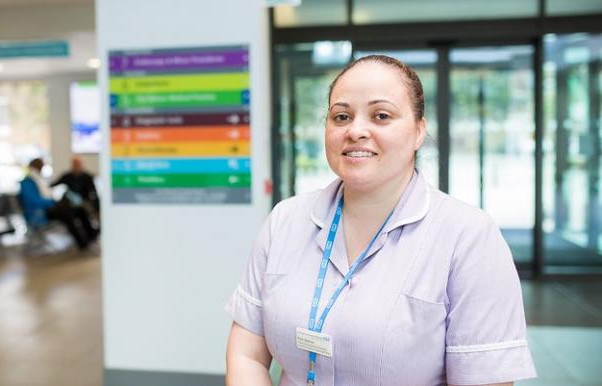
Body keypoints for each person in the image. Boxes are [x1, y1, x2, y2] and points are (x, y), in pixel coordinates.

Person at [224, 55, 536, 386]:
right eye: (341, 116)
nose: (356, 130)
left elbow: (485, 379)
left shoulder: (469, 237)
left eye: (381, 116)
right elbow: (247, 354)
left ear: (418, 131)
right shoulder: (284, 221)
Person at [19, 158, 98, 250]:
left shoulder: (38, 180)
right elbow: (34, 200)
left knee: (78, 210)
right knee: (67, 213)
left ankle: (92, 236)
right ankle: (83, 243)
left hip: (47, 208)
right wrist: (52, 202)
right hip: (39, 213)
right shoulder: (27, 182)